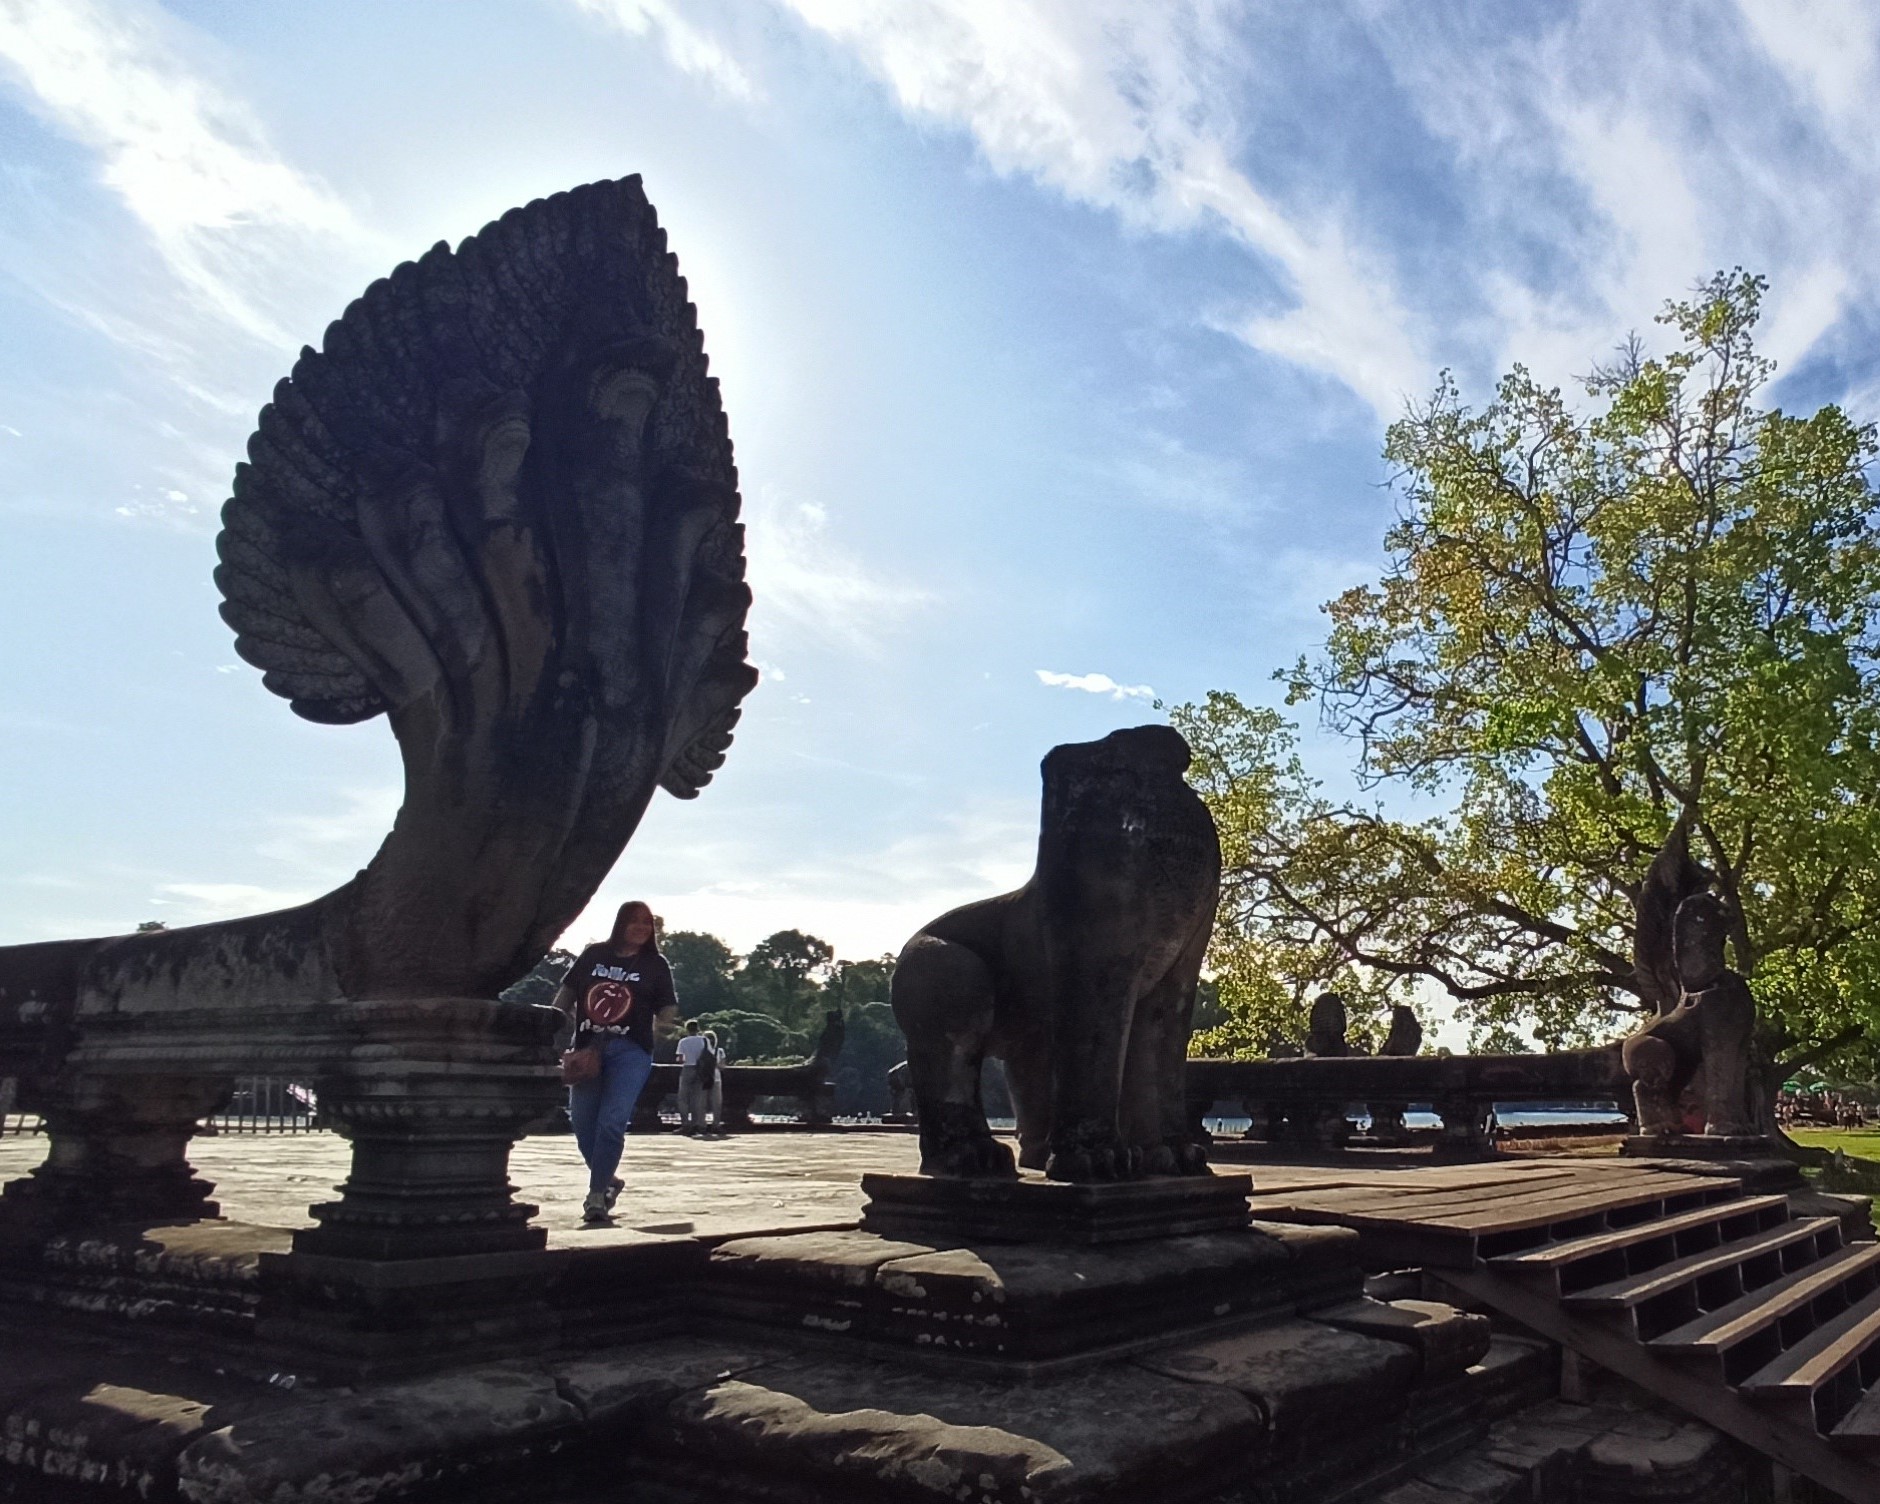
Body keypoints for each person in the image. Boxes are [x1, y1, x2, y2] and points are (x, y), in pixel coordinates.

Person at [552, 900, 679, 1224]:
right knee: (583, 1125)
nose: (641, 927)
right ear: (620, 924)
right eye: (634, 921)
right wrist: (554, 1024)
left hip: (631, 1051)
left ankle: (596, 1196)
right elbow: (565, 995)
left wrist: (664, 1023)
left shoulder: (655, 964)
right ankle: (609, 1179)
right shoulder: (594, 955)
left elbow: (667, 1005)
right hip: (587, 1049)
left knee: (612, 1121)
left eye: (646, 923)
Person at [675, 1019, 710, 1135]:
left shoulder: (683, 1042)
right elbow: (709, 1054)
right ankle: (695, 1124)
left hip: (688, 1068)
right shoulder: (704, 1040)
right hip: (700, 1070)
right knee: (696, 1098)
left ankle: (685, 1124)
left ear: (687, 1029)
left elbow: (680, 1059)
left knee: (683, 1098)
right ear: (698, 1028)